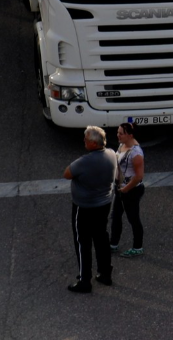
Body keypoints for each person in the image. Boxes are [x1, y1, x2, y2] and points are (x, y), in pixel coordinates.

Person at [63, 126, 119, 293]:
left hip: (84, 206)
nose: (84, 142)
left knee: (82, 242)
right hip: (104, 203)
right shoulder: (111, 153)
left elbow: (67, 174)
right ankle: (105, 273)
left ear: (94, 144)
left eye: (86, 139)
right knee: (101, 237)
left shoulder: (85, 161)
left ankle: (84, 280)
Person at [109, 122, 146, 258]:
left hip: (132, 190)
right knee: (116, 216)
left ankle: (137, 247)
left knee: (133, 218)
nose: (117, 135)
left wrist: (126, 189)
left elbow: (139, 176)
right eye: (118, 132)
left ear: (130, 135)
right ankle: (113, 244)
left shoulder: (136, 154)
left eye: (121, 133)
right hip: (121, 189)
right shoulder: (122, 145)